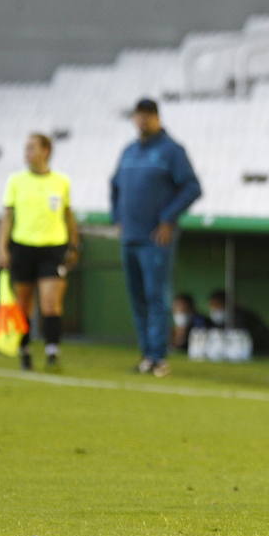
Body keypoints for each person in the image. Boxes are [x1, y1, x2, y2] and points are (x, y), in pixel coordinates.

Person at [110, 98, 202, 377]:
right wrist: (118, 219)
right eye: (138, 116)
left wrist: (167, 218)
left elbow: (192, 187)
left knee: (156, 297)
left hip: (155, 239)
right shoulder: (128, 152)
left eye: (147, 116)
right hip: (131, 237)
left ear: (157, 118)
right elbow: (115, 186)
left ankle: (160, 357)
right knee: (137, 298)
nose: (142, 121)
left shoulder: (171, 151)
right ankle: (147, 355)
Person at [0, 133, 80, 370]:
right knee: (23, 304)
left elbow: (68, 216)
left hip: (53, 249)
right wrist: (2, 247)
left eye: (32, 148)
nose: (27, 153)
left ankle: (53, 351)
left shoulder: (61, 182)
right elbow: (7, 217)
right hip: (23, 248)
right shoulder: (16, 181)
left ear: (46, 151)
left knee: (51, 303)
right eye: (26, 148)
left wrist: (74, 245)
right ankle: (25, 349)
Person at [207, 289, 269, 355]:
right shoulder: (222, 319)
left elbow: (244, 339)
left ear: (226, 303)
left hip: (264, 350)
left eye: (216, 305)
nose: (214, 308)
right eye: (212, 305)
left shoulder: (241, 316)